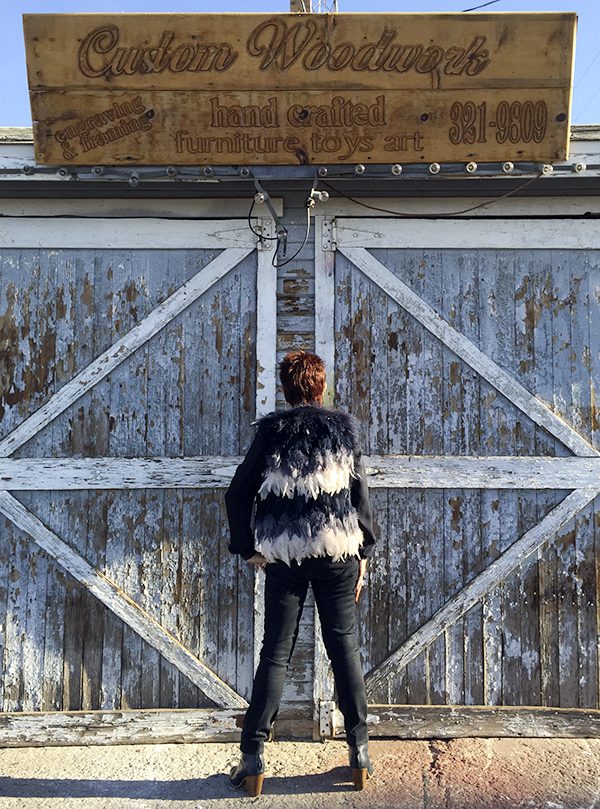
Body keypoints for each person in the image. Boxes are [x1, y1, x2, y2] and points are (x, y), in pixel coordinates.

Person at [225, 349, 376, 796]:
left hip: (285, 556)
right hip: (337, 555)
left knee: (275, 652)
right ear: (320, 386)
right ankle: (360, 750)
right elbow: (360, 494)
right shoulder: (342, 432)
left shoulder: (272, 432)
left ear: (287, 390)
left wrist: (247, 548)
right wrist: (363, 550)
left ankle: (252, 758)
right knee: (343, 648)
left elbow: (237, 494)